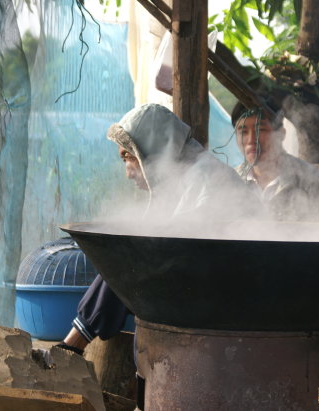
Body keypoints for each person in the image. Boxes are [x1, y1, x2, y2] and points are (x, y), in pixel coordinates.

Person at [59, 103, 264, 354]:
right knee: (128, 258)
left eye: (128, 156)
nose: (127, 172)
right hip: (206, 297)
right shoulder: (185, 178)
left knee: (128, 260)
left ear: (152, 150)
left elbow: (166, 253)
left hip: (231, 306)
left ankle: (72, 346)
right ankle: (74, 342)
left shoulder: (206, 179)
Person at [231, 101, 319, 222]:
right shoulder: (231, 180)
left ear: (281, 134)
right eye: (243, 132)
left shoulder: (310, 180)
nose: (251, 140)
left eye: (260, 130)